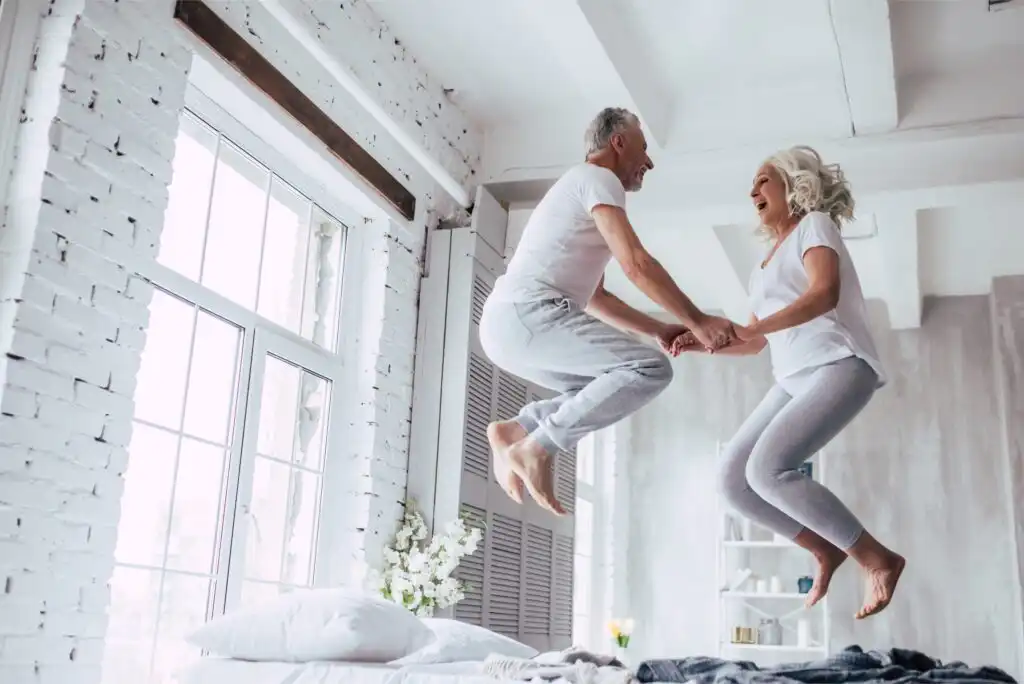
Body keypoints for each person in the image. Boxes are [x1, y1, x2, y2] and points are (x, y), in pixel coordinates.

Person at [672, 146, 905, 619]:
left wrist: (754, 328)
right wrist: (698, 342)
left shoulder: (815, 225)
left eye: (762, 180)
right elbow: (754, 342)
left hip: (839, 364)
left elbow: (824, 293)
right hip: (792, 377)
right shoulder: (763, 265)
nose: (751, 191)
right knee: (731, 480)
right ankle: (824, 548)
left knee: (767, 469)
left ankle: (876, 558)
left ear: (792, 184)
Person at [478, 107, 736, 516]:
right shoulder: (597, 179)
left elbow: (597, 298)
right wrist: (697, 321)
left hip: (508, 324)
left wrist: (657, 329)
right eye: (644, 149)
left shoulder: (579, 189)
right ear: (618, 142)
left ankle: (519, 429)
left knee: (602, 387)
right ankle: (538, 447)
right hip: (527, 314)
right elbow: (636, 264)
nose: (649, 162)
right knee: (649, 370)